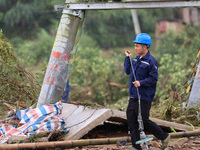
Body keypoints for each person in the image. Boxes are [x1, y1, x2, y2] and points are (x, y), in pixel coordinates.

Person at [124, 33, 170, 150]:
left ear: (145, 47)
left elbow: (154, 79)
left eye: (137, 46)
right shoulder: (135, 59)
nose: (135, 48)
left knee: (144, 120)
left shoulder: (151, 61)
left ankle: (164, 136)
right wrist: (127, 58)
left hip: (144, 96)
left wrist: (141, 82)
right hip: (134, 95)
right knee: (131, 118)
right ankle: (136, 146)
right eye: (135, 46)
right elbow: (128, 71)